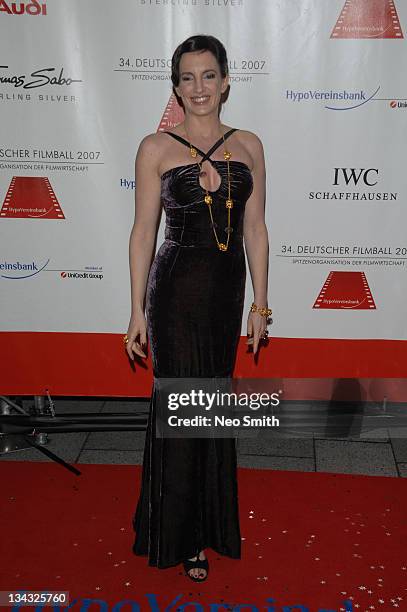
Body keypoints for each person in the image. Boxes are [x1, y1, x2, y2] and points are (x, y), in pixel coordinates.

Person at [124, 34, 270, 582]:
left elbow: (255, 228)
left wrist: (261, 303)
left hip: (225, 297)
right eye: (187, 78)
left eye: (209, 75)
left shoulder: (251, 144)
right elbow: (143, 233)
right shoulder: (155, 147)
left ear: (226, 80)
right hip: (175, 295)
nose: (199, 88)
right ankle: (183, 538)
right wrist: (136, 311)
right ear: (176, 87)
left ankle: (205, 523)